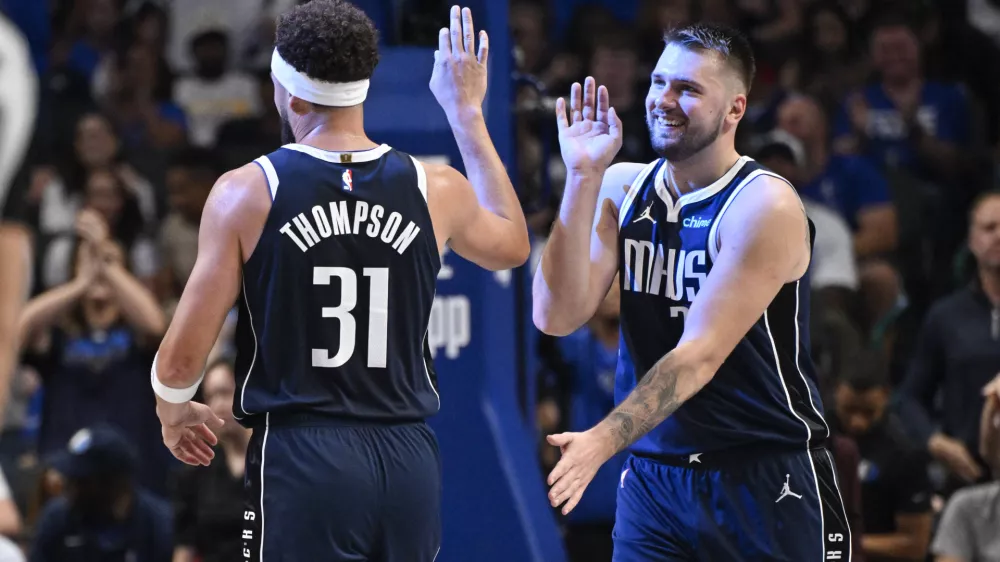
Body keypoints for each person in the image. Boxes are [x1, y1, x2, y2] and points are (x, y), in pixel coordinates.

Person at [150, 2, 530, 561]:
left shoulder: (247, 192)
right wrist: (468, 116)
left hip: (304, 455)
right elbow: (514, 245)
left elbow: (182, 363)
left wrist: (173, 410)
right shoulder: (436, 186)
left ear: (291, 95)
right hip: (407, 455)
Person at [533, 23, 851, 560]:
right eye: (659, 82)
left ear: (735, 110)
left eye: (688, 89)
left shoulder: (763, 205)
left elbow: (698, 356)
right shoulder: (620, 187)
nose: (665, 100)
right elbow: (556, 315)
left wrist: (603, 441)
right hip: (657, 480)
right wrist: (583, 178)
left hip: (764, 473)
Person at [831, 350, 933, 561]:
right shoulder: (810, 436)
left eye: (868, 412)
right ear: (836, 391)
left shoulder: (907, 451)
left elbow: (915, 545)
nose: (857, 422)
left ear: (886, 395)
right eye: (848, 410)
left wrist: (844, 543)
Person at [30, 425, 173, 562]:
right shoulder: (57, 519)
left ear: (113, 484)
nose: (70, 489)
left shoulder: (159, 524)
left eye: (81, 482)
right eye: (70, 479)